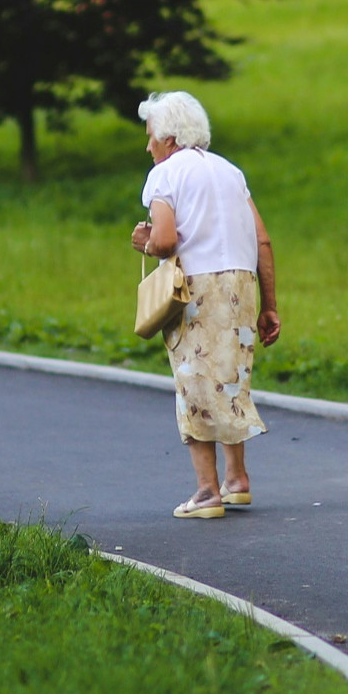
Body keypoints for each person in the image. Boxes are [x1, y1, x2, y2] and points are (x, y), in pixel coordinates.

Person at [128, 91, 282, 520]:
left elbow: (164, 240)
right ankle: (237, 481)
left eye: (150, 137)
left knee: (194, 383)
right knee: (229, 379)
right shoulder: (231, 172)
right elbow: (263, 241)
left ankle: (206, 492)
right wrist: (270, 306)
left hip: (197, 288)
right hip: (241, 283)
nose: (148, 146)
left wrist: (144, 241)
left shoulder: (164, 175)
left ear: (169, 137)